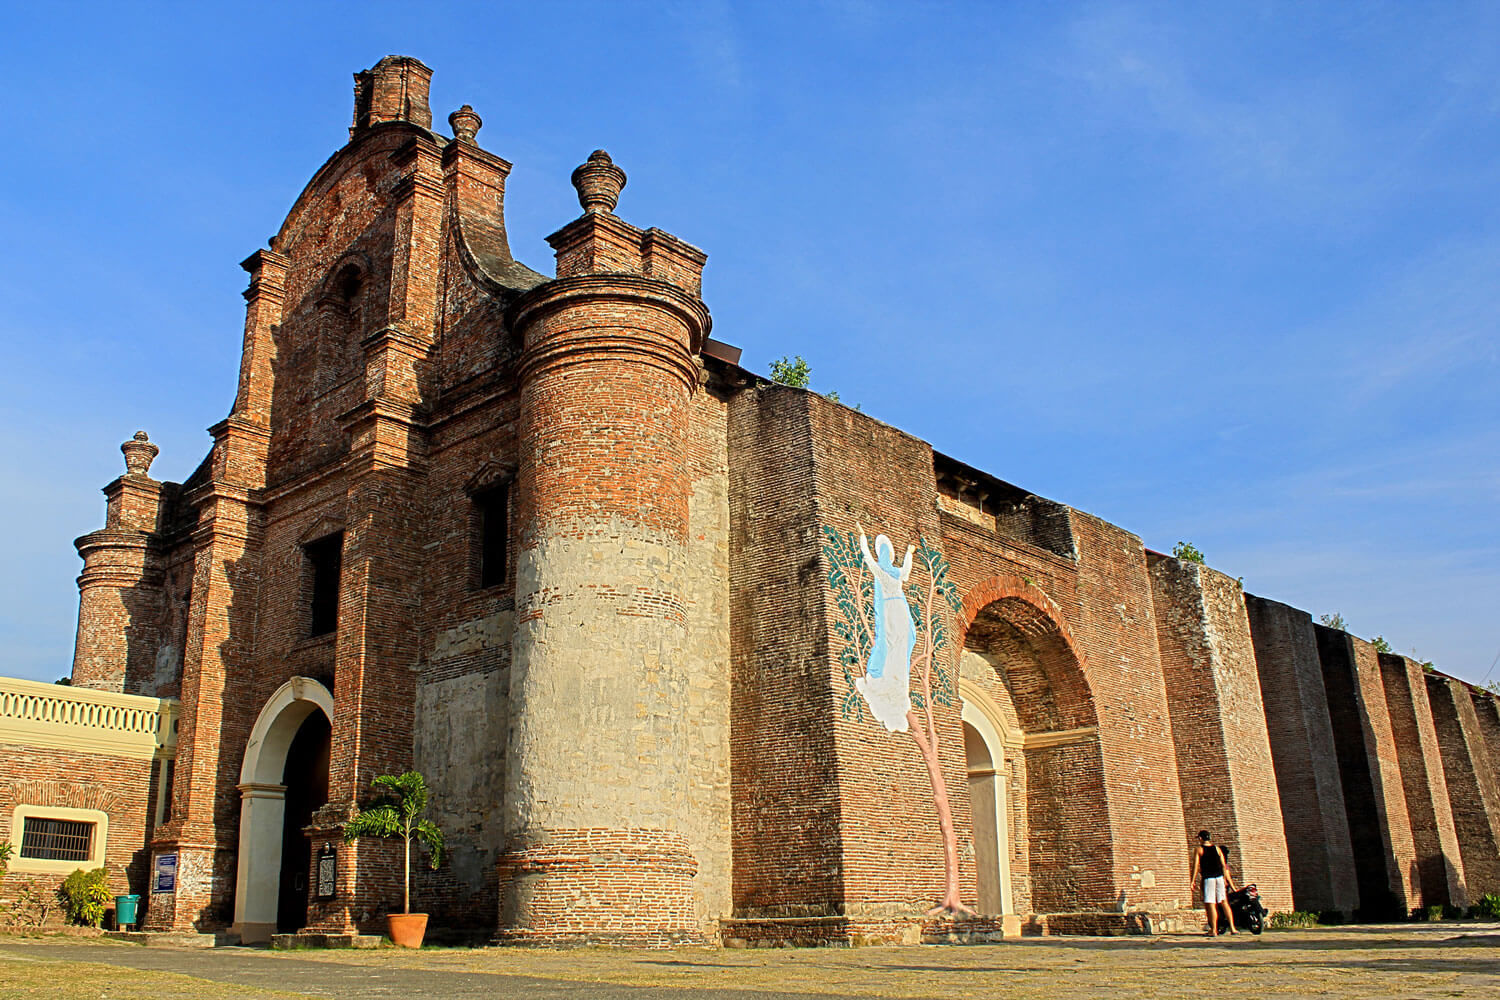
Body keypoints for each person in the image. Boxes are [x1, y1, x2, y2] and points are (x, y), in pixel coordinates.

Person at [854, 522, 915, 732]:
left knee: (905, 640)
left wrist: (908, 552)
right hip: (893, 609)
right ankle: (883, 674)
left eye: (886, 551)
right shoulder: (883, 571)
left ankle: (897, 673)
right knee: (893, 641)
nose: (885, 554)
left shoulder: (892, 572)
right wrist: (862, 537)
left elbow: (905, 569)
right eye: (884, 551)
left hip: (897, 608)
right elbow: (868, 559)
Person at [1191, 830, 1237, 936]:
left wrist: (1192, 880)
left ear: (1200, 838)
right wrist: (1225, 878)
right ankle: (1233, 928)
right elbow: (1223, 865)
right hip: (1219, 877)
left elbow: (1196, 866)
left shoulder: (1199, 850)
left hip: (1209, 879)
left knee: (1211, 903)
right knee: (1224, 902)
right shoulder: (1217, 849)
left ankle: (1214, 930)